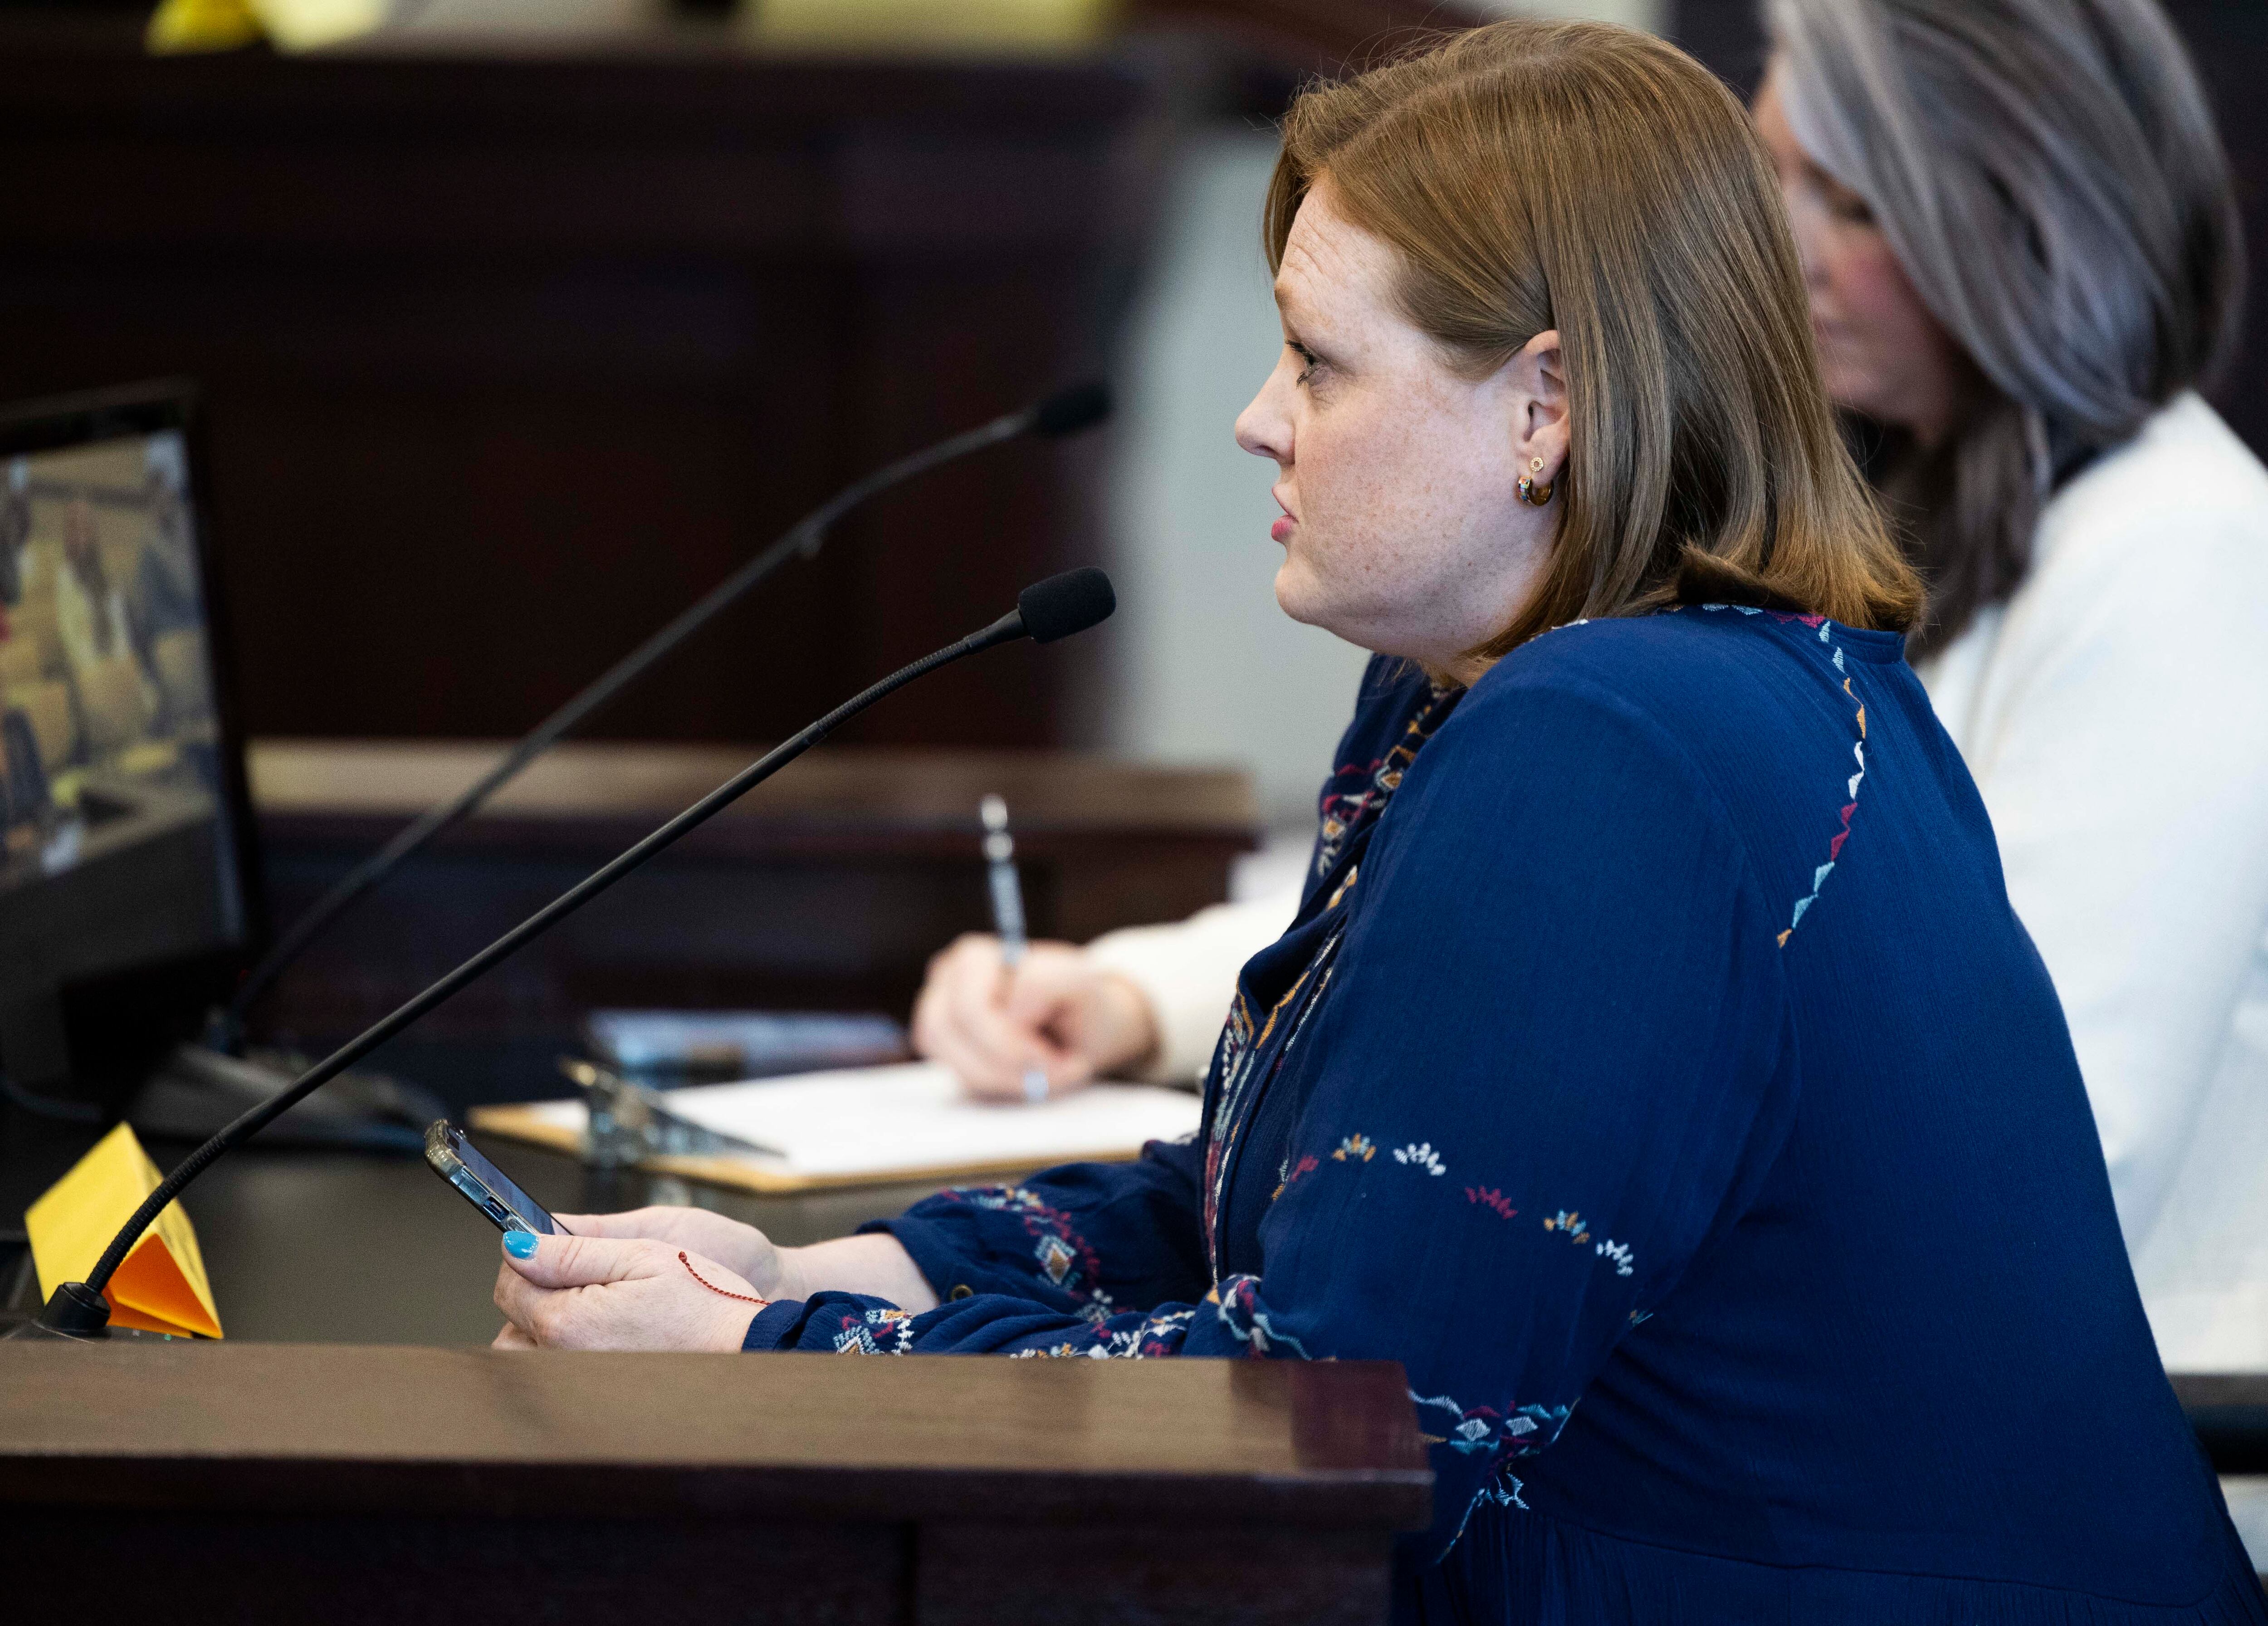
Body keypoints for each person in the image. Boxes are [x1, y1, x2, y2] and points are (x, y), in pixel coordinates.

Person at [490, 22, 2264, 1619]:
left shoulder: (1615, 746)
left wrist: (764, 1349)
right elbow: (1299, 1214)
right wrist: (821, 1261)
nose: (1258, 425)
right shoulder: (1531, 683)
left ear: (1546, 410)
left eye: (1316, 365)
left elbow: (1328, 1431)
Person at [1755, 0, 2268, 1372]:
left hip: (2123, 1441)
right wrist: (1156, 994)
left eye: (1852, 204)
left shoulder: (2182, 557)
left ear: (2031, 223)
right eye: (1775, 181)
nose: (1785, 255)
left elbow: (2039, 1157)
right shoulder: (1922, 492)